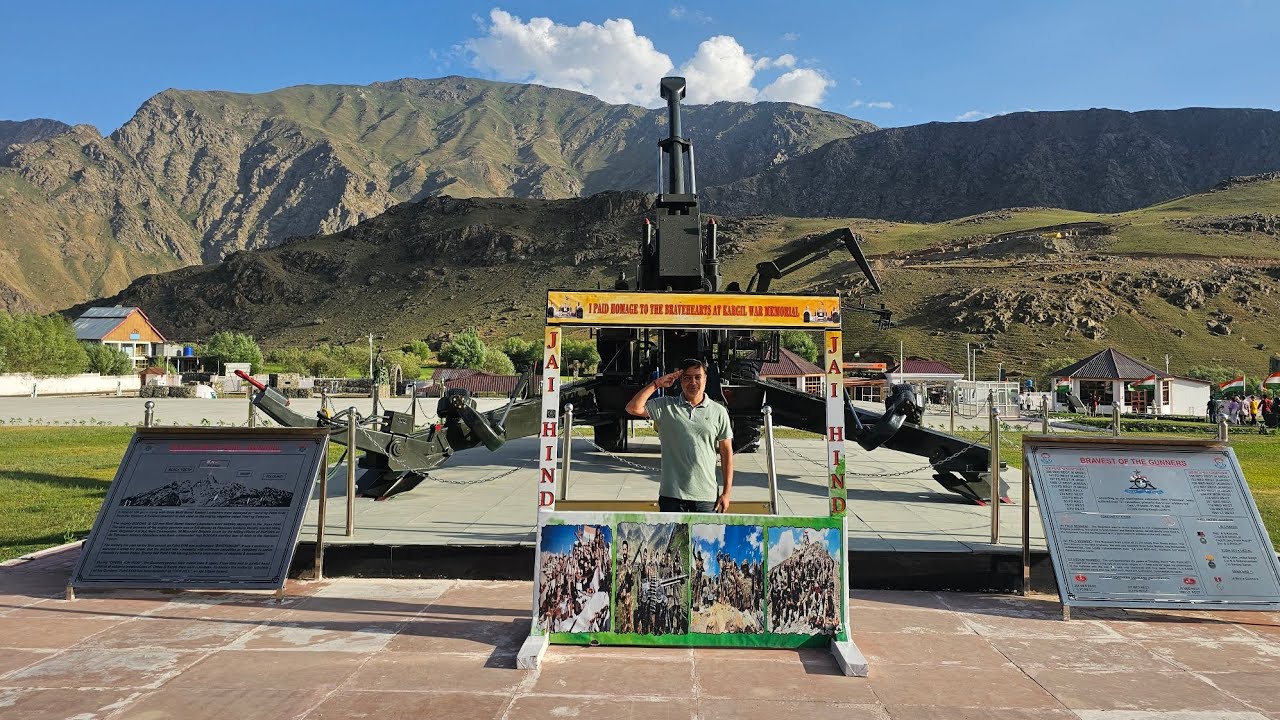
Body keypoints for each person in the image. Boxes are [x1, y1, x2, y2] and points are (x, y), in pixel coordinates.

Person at [625, 358, 733, 513]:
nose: (693, 382)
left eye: (697, 377)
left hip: (706, 498)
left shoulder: (718, 412)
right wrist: (657, 384)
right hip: (672, 497)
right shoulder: (665, 406)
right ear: (680, 381)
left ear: (705, 379)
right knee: (673, 538)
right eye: (687, 378)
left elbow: (726, 453)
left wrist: (727, 493)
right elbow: (632, 408)